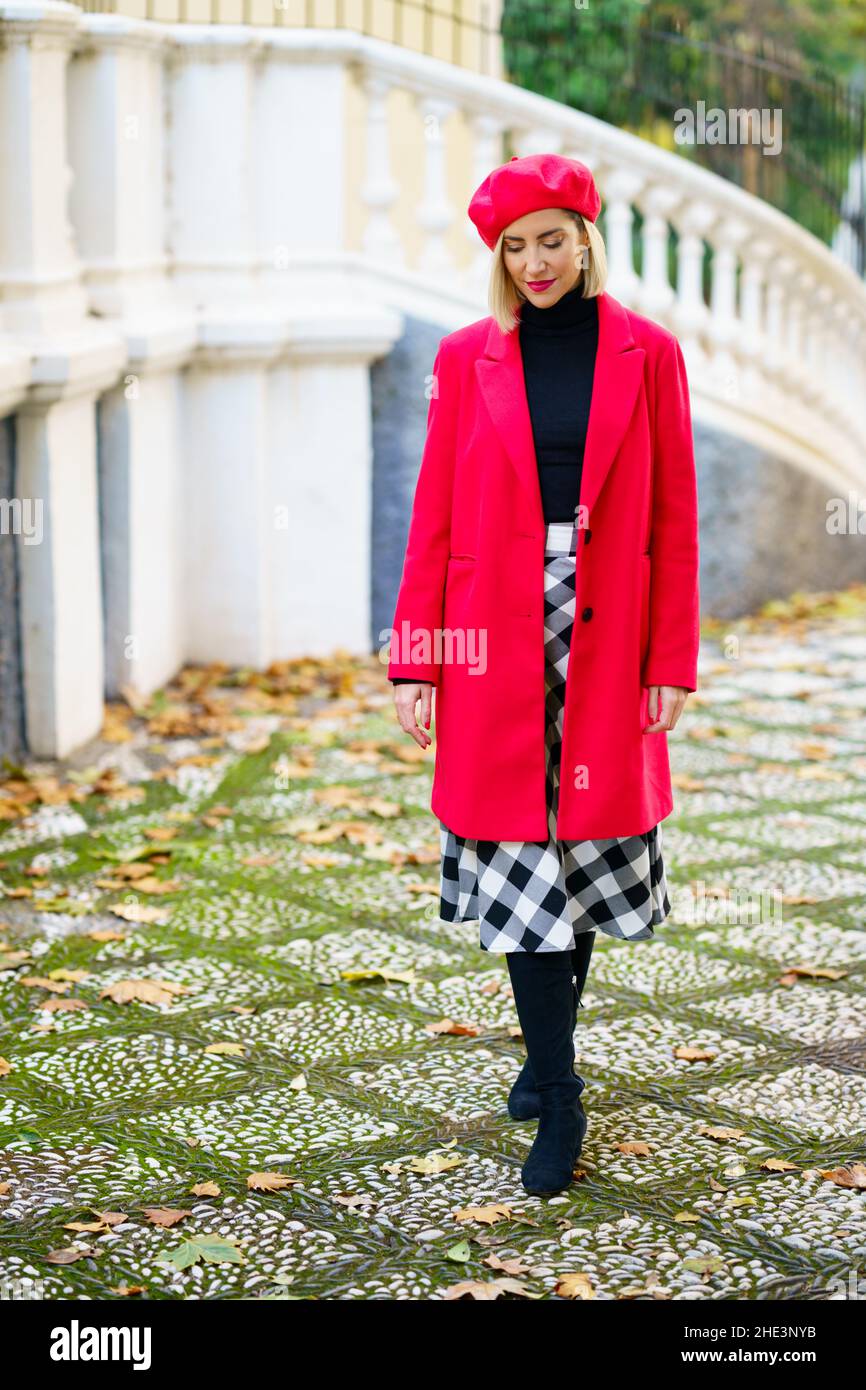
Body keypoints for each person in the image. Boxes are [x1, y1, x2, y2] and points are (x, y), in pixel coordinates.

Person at [386, 153, 700, 1196]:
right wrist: (417, 660)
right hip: (490, 632)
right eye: (513, 247)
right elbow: (430, 514)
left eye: (549, 240)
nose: (533, 263)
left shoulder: (648, 353)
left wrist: (669, 658)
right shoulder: (466, 354)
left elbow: (671, 521)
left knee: (588, 844)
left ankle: (540, 1050)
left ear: (584, 238)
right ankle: (559, 1090)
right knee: (519, 852)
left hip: (608, 629)